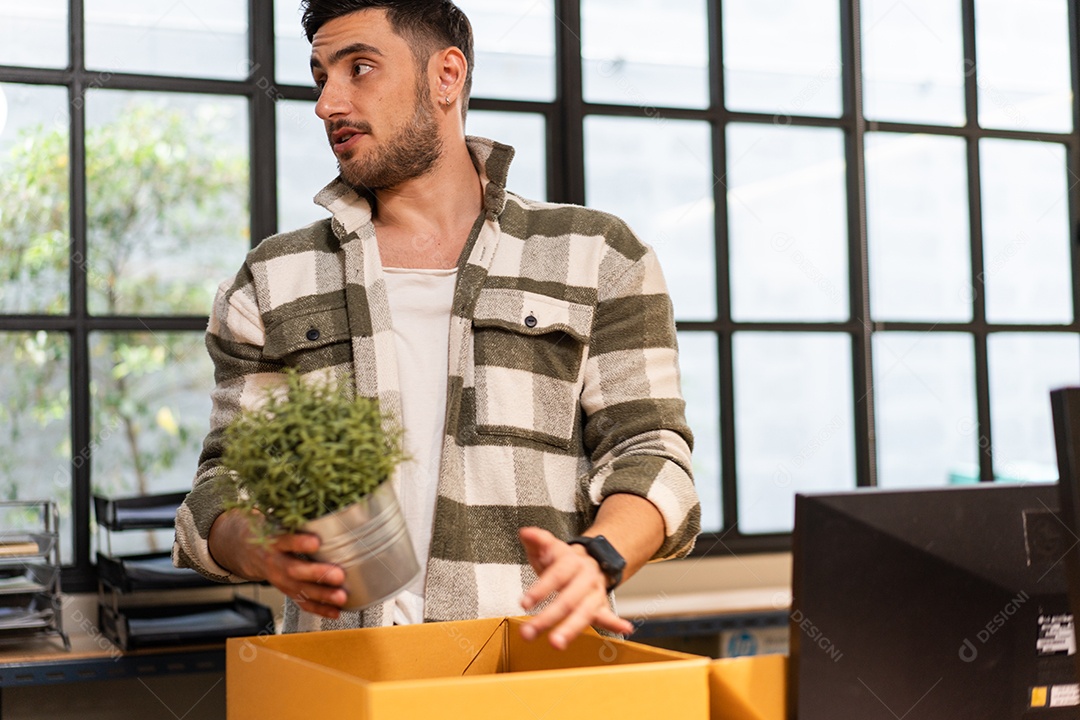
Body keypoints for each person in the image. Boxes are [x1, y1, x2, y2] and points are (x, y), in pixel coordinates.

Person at [173, 0, 700, 650]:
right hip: (345, 674)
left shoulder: (596, 255)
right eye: (320, 77)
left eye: (359, 68)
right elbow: (221, 485)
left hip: (530, 669)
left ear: (446, 76)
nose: (327, 104)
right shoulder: (273, 278)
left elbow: (651, 455)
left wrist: (600, 556)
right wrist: (261, 550)